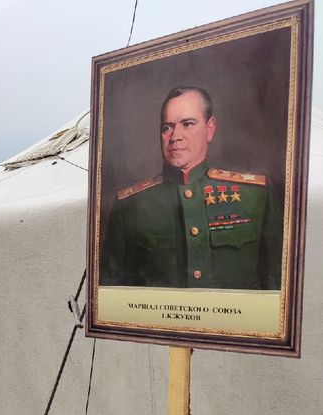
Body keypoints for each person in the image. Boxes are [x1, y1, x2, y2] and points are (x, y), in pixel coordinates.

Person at [100, 86, 283, 290]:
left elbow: (276, 286)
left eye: (187, 124)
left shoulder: (256, 195)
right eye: (167, 127)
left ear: (210, 128)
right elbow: (113, 294)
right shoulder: (130, 205)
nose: (175, 136)